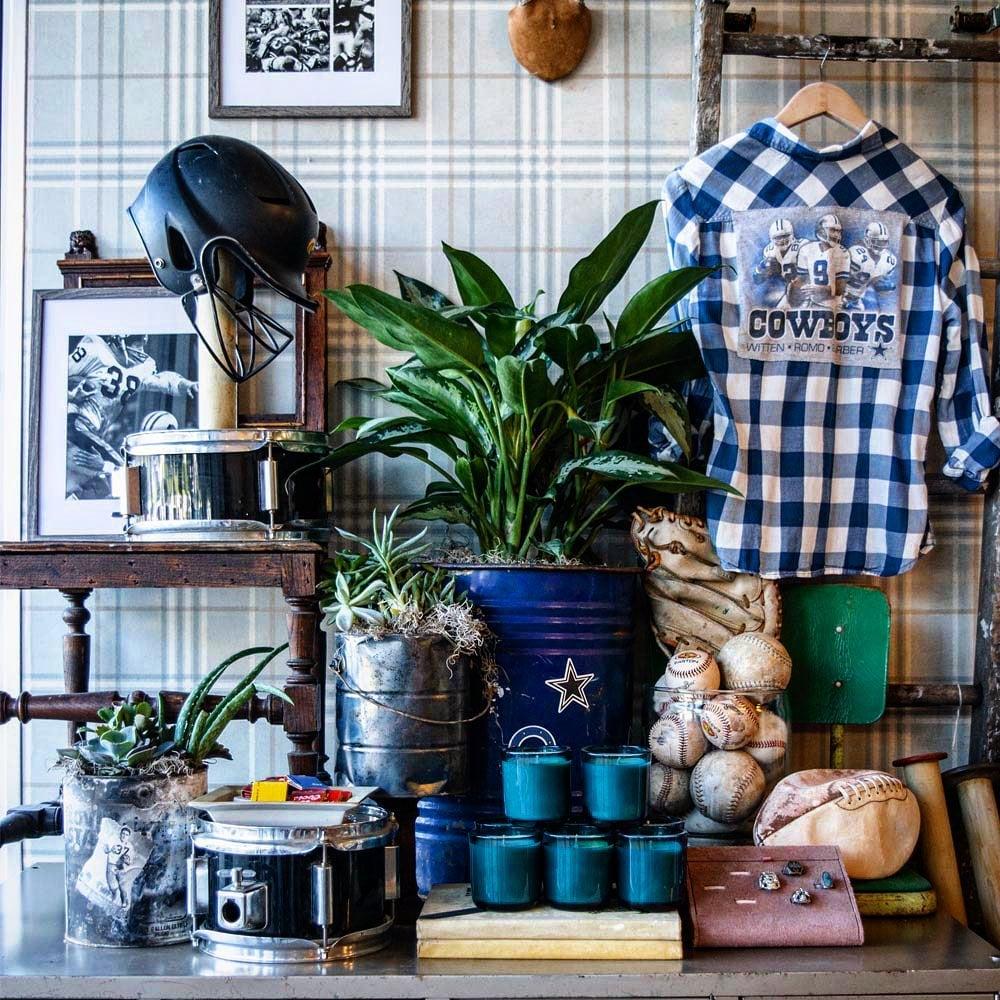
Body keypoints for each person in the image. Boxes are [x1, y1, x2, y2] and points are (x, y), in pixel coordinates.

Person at [65, 335, 196, 499]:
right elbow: (56, 379)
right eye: (137, 342)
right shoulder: (93, 349)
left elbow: (162, 380)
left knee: (103, 488)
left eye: (142, 342)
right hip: (75, 423)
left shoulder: (142, 367)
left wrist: (186, 385)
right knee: (125, 473)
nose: (141, 349)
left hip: (90, 432)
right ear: (119, 338)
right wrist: (72, 394)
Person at [790, 213, 850, 308]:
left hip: (835, 306)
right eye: (833, 230)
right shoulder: (806, 249)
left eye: (838, 231)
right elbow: (802, 279)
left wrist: (820, 290)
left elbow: (840, 288)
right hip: (813, 304)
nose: (837, 234)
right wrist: (795, 289)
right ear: (821, 231)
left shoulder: (842, 252)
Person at [844, 221, 897, 310]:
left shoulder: (889, 261)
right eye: (876, 241)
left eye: (883, 242)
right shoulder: (856, 254)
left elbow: (876, 284)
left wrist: (880, 283)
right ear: (867, 240)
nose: (880, 245)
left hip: (857, 301)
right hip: (840, 297)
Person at [752, 217, 803, 308]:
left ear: (792, 235)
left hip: (803, 287)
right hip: (784, 288)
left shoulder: (802, 246)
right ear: (772, 239)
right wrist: (765, 270)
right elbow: (758, 279)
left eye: (785, 236)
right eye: (778, 237)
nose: (782, 240)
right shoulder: (769, 251)